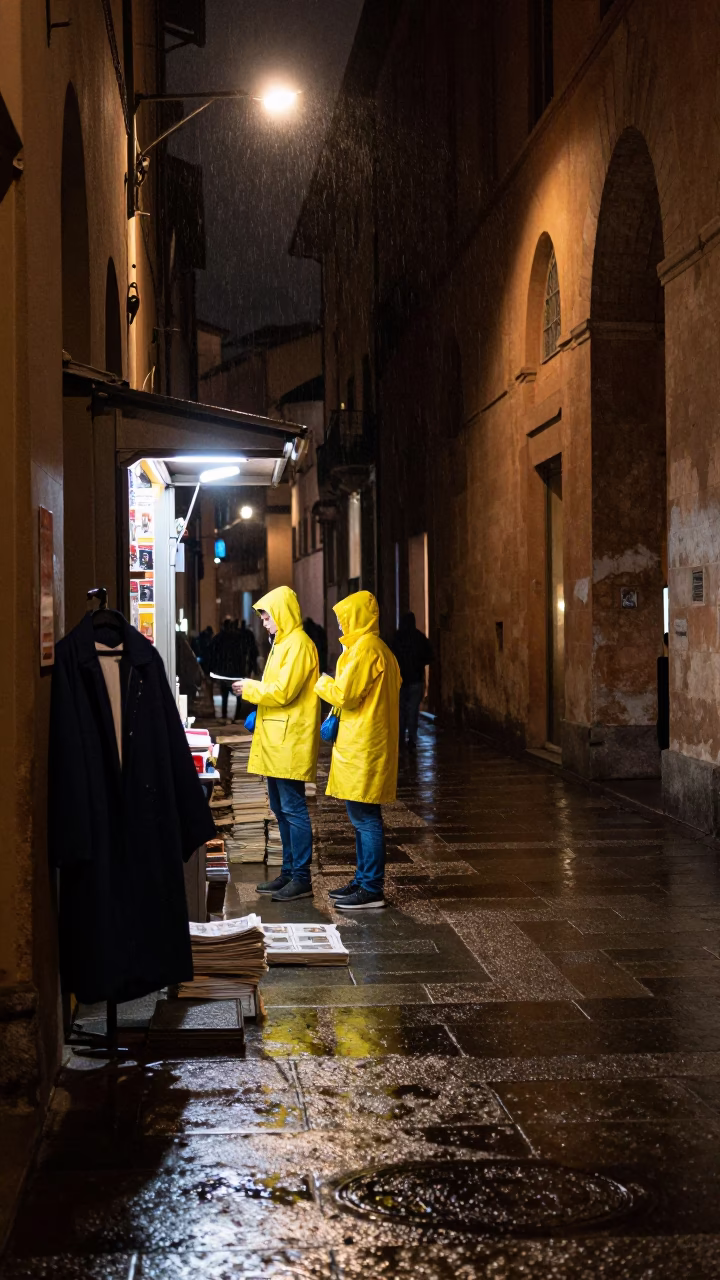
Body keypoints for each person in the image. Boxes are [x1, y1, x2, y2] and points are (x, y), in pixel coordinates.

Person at [314, 590, 401, 911]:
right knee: (364, 816)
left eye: (342, 620)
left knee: (366, 818)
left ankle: (371, 887)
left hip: (365, 745)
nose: (339, 627)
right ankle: (364, 879)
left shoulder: (366, 650)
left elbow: (345, 694)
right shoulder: (377, 650)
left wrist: (321, 681)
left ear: (356, 619)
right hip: (367, 742)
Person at [232, 586, 320, 901]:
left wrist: (251, 689)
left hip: (290, 740)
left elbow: (283, 691)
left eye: (268, 616)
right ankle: (289, 872)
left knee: (293, 809)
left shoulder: (297, 644)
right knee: (281, 810)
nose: (265, 623)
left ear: (282, 613)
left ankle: (301, 877)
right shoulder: (283, 643)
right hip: (278, 739)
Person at [392, 611, 433, 750]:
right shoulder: (420, 638)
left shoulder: (396, 638)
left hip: (400, 681)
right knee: (413, 711)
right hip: (416, 680)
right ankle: (412, 739)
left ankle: (401, 738)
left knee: (401, 710)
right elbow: (430, 656)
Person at [208, 618, 244, 722]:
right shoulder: (237, 638)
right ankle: (237, 716)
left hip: (223, 671)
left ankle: (224, 716)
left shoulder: (219, 638)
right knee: (238, 693)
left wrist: (213, 668)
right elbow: (242, 654)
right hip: (236, 670)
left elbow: (212, 652)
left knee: (225, 694)